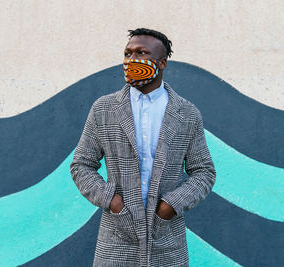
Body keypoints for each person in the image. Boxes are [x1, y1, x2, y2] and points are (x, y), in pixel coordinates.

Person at [70, 28, 216, 267]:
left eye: (141, 53)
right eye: (127, 53)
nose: (131, 60)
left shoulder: (187, 113)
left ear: (161, 63)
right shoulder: (104, 109)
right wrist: (113, 202)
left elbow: (204, 172)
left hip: (167, 239)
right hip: (116, 238)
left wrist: (171, 206)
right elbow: (81, 165)